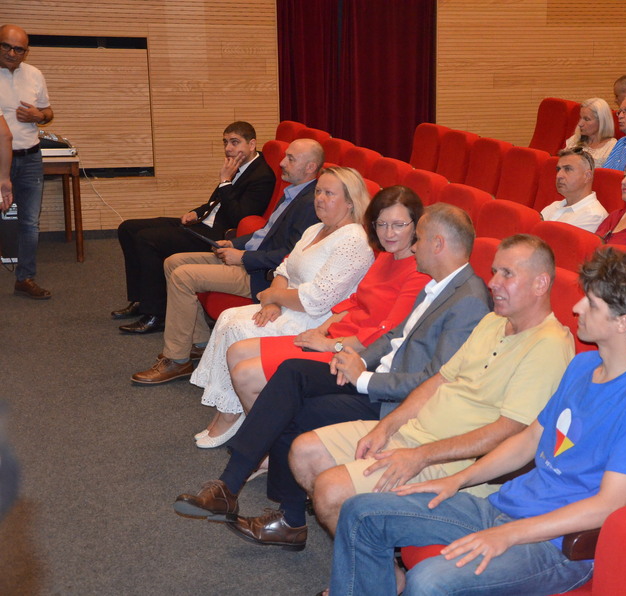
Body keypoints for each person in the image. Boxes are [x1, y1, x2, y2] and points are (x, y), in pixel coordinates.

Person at [327, 247, 626, 596]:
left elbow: (609, 505)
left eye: (592, 305)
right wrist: (457, 479)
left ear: (623, 322)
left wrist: (507, 535)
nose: (577, 308)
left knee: (429, 582)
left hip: (556, 546)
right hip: (508, 505)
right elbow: (528, 440)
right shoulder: (583, 367)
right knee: (361, 513)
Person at [172, 203, 493, 550]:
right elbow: (394, 336)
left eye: (419, 239)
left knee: (294, 410)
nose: (413, 246)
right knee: (291, 373)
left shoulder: (469, 301)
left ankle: (286, 519)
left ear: (439, 244)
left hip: (394, 403)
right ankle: (230, 486)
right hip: (373, 374)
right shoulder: (439, 285)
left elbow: (434, 382)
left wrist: (363, 379)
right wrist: (352, 359)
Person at [290, 234, 575, 540]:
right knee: (304, 452)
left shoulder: (549, 345)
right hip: (415, 435)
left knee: (331, 490)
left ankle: (374, 573)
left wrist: (422, 455)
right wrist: (385, 428)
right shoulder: (492, 321)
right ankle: (377, 559)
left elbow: (510, 430)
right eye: (494, 271)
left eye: (507, 274)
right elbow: (439, 380)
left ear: (540, 284)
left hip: (453, 461)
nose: (492, 283)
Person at [193, 186, 430, 446]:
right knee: (236, 351)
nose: (388, 233)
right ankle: (268, 439)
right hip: (335, 336)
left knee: (245, 373)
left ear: (416, 225)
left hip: (354, 353)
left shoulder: (418, 271)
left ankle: (270, 446)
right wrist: (322, 330)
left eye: (398, 225)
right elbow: (353, 302)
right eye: (382, 224)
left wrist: (329, 343)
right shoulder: (387, 256)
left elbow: (385, 334)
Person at [129, 138, 324, 387]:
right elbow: (264, 233)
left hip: (262, 274)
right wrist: (235, 244)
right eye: (285, 156)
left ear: (310, 167)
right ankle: (200, 344)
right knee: (172, 262)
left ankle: (176, 360)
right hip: (248, 258)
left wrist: (244, 257)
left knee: (183, 276)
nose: (282, 163)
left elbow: (292, 256)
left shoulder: (310, 204)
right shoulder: (292, 192)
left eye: (291, 159)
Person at [115, 121, 275, 333]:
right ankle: (140, 298)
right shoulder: (237, 164)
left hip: (216, 234)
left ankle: (156, 312)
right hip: (203, 222)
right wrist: (197, 212)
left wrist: (225, 181)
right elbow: (216, 203)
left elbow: (239, 217)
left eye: (235, 142)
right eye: (226, 142)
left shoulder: (262, 175)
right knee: (127, 228)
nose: (228, 148)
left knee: (147, 239)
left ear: (252, 143)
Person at [0, 25, 54, 299]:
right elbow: (3, 135)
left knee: (29, 222)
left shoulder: (34, 75)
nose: (11, 53)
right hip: (0, 160)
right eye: (6, 46)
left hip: (31, 157)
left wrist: (39, 115)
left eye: (18, 48)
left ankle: (25, 278)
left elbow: (48, 112)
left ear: (25, 51)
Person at [540, 149, 607, 233]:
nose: (558, 175)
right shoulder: (553, 206)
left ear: (587, 176)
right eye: (558, 169)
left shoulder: (593, 215)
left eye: (567, 169)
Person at [563, 98, 617, 166]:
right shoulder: (575, 139)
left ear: (601, 122)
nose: (580, 124)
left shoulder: (612, 147)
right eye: (580, 118)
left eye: (587, 119)